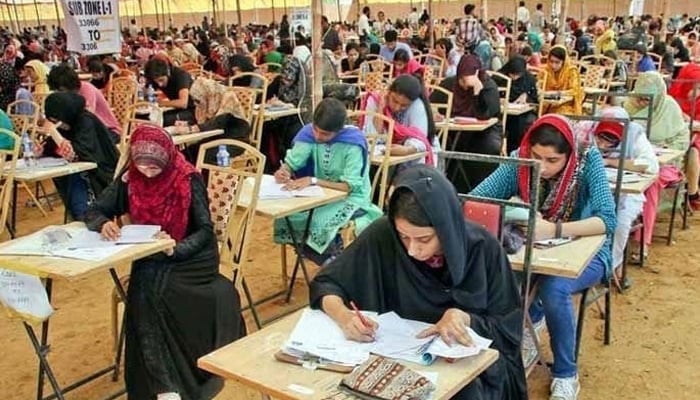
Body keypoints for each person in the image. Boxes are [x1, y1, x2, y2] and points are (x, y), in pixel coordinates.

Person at [310, 165, 528, 400]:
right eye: (404, 237)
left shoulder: (483, 249)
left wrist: (464, 318)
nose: (413, 250)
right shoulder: (384, 234)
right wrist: (344, 317)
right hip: (396, 361)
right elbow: (327, 283)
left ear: (446, 229)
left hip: (464, 368)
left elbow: (509, 328)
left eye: (424, 239)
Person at [84, 124, 246, 400]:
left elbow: (205, 232)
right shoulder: (131, 177)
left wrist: (175, 249)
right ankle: (165, 384)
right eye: (141, 167)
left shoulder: (186, 179)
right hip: (151, 252)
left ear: (168, 159)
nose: (147, 173)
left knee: (148, 289)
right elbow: (95, 209)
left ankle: (166, 384)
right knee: (146, 284)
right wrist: (102, 224)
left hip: (192, 255)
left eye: (154, 169)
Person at [472, 114, 616, 400]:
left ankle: (565, 373)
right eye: (537, 156)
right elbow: (478, 198)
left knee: (553, 288)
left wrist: (555, 228)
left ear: (569, 155)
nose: (542, 166)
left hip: (588, 252)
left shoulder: (588, 161)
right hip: (537, 249)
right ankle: (519, 337)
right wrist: (516, 212)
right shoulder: (521, 159)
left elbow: (607, 220)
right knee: (504, 280)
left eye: (552, 161)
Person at [272, 98, 382, 265]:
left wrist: (313, 180)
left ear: (339, 130)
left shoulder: (353, 143)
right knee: (287, 217)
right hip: (320, 196)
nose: (317, 136)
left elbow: (348, 187)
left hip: (352, 198)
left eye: (325, 134)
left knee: (319, 222)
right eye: (316, 130)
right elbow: (293, 161)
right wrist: (284, 171)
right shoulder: (309, 134)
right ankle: (328, 258)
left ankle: (333, 263)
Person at [625, 71, 697, 259]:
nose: (641, 104)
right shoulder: (629, 106)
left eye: (646, 100)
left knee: (651, 182)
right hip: (634, 162)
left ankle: (642, 242)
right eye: (639, 99)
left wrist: (665, 149)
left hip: (667, 165)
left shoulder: (670, 107)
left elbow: (682, 141)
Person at [584, 107, 659, 283]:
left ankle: (610, 265)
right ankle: (585, 263)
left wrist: (611, 161)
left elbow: (651, 165)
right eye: (601, 137)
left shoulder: (634, 135)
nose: (603, 145)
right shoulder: (587, 129)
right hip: (594, 188)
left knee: (619, 223)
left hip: (628, 192)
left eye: (611, 140)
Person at [41, 92, 119, 220]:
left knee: (76, 180)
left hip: (101, 173)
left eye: (56, 120)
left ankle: (84, 216)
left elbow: (75, 154)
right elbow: (53, 147)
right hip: (78, 173)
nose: (56, 124)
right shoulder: (67, 122)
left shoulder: (86, 121)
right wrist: (42, 149)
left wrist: (54, 133)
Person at [438, 54, 502, 191]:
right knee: (439, 143)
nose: (464, 85)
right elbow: (433, 105)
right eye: (461, 80)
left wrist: (477, 91)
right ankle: (448, 188)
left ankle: (481, 191)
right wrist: (437, 114)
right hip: (453, 131)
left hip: (484, 132)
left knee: (488, 148)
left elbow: (484, 116)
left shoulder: (488, 86)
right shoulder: (449, 84)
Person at [360, 75, 438, 167]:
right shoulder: (375, 100)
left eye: (404, 105)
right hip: (380, 158)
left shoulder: (416, 105)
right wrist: (380, 108)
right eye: (394, 101)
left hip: (412, 161)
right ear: (388, 92)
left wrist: (406, 150)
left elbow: (420, 140)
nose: (397, 108)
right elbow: (371, 136)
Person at [47, 63, 122, 139]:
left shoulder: (86, 89)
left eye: (61, 90)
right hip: (89, 130)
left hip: (108, 130)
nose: (59, 93)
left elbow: (87, 119)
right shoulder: (68, 96)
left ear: (67, 86)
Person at [499, 56, 538, 153]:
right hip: (503, 111)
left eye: (518, 74)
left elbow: (534, 99)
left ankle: (516, 151)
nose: (514, 77)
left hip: (521, 113)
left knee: (522, 123)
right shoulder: (499, 77)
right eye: (512, 74)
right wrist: (500, 99)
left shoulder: (529, 79)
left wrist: (526, 97)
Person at [144, 58, 197, 126]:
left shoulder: (181, 75)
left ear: (168, 72)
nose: (160, 84)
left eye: (161, 80)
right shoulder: (156, 78)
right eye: (156, 81)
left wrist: (162, 103)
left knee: (161, 120)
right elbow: (146, 91)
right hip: (179, 109)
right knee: (147, 118)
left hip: (194, 110)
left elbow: (183, 103)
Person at [542, 45, 583, 115]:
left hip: (566, 105)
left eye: (557, 62)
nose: (553, 65)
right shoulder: (545, 70)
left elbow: (574, 90)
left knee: (560, 115)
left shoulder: (571, 71)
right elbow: (538, 85)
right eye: (551, 61)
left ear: (564, 62)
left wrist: (557, 93)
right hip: (546, 104)